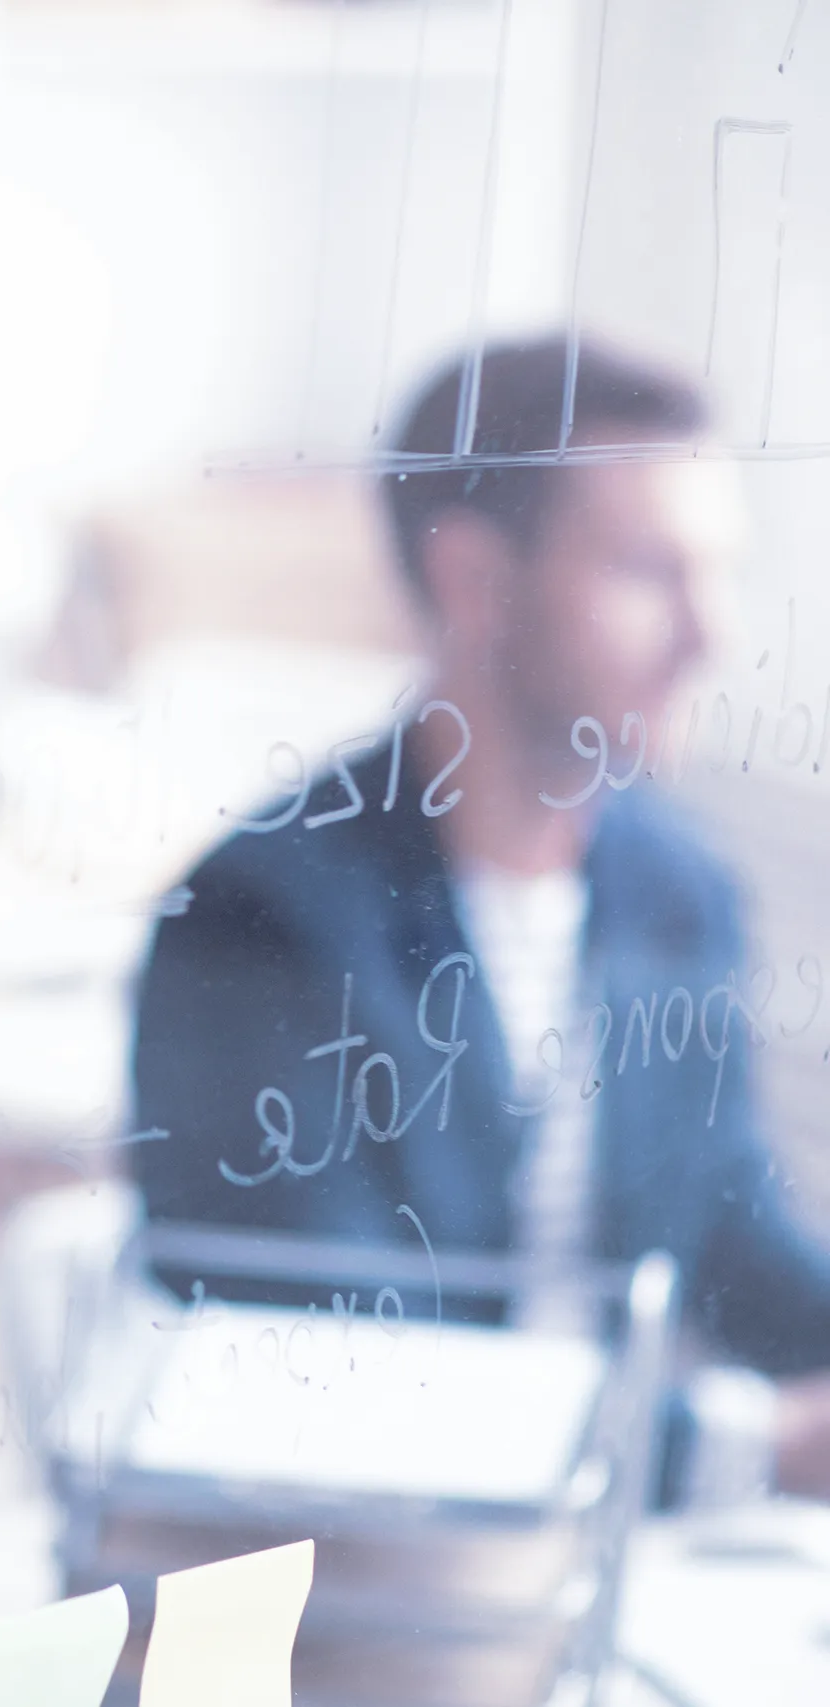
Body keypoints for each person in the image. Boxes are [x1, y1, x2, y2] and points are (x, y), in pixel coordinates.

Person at [131, 336, 830, 1504]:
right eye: (651, 573)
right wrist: (741, 1448)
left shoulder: (677, 895)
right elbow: (339, 1382)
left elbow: (727, 1230)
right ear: (473, 582)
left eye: (721, 574)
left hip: (603, 1564)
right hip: (372, 1601)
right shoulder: (262, 917)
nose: (710, 634)